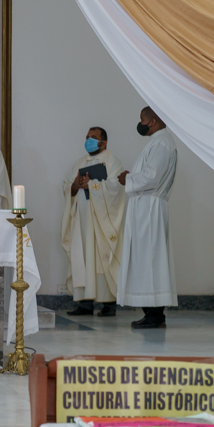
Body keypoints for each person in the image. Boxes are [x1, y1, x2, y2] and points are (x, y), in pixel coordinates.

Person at [117, 107, 178, 329]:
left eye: (142, 119)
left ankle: (155, 315)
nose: (140, 123)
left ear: (151, 121)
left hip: (150, 209)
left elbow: (151, 177)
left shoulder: (162, 143)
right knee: (146, 260)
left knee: (151, 260)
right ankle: (151, 313)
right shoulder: (158, 141)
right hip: (145, 207)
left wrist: (128, 178)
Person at [61, 127, 126, 317]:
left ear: (104, 143)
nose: (88, 140)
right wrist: (75, 185)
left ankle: (108, 304)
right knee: (83, 256)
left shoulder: (113, 162)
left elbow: (116, 188)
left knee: (101, 256)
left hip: (102, 221)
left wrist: (93, 185)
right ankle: (84, 304)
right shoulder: (80, 163)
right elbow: (66, 185)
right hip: (82, 218)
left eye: (93, 138)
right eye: (87, 137)